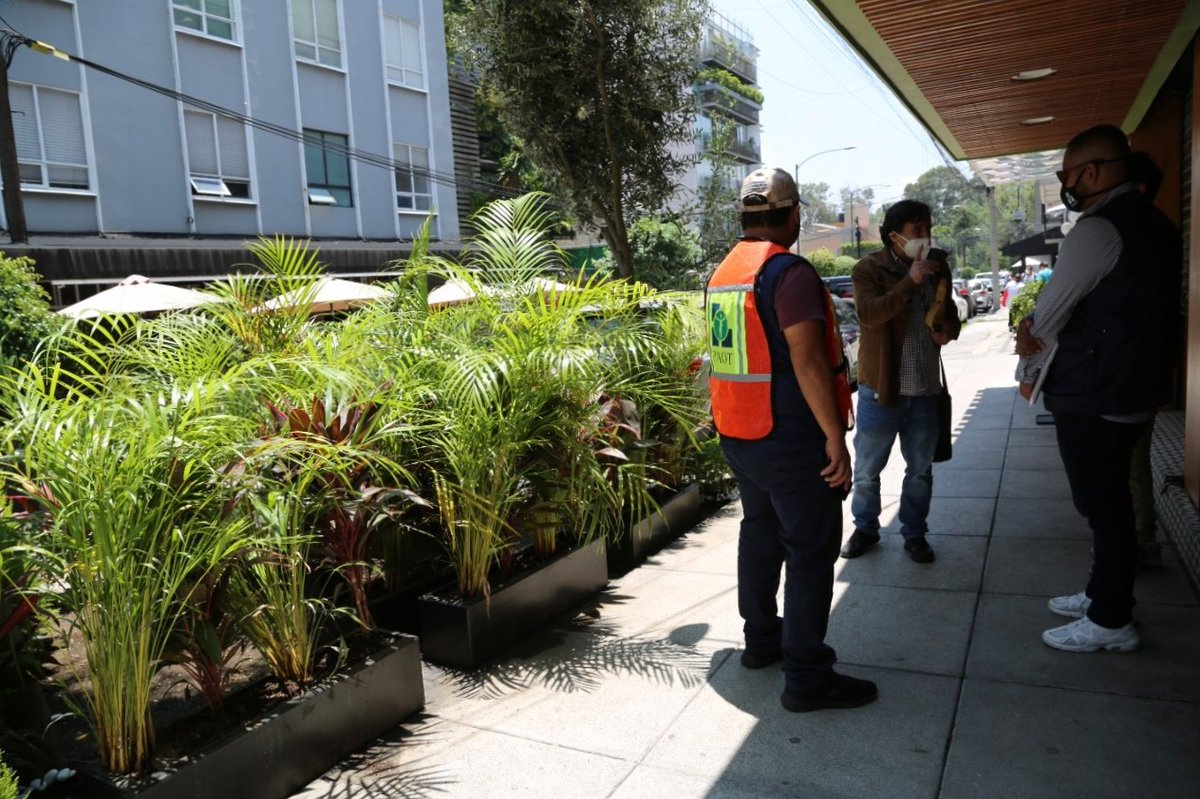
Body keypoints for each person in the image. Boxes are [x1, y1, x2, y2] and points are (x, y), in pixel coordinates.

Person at [706, 166, 875, 712]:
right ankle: (806, 677)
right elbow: (806, 362)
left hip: (740, 433)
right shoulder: (789, 273)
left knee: (759, 531)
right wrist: (835, 438)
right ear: (794, 213)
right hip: (789, 439)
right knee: (809, 551)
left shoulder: (724, 272)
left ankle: (761, 642)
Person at [1015, 125, 1181, 653]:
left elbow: (1050, 312)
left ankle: (1111, 619)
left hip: (1095, 389)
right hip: (1135, 385)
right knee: (1112, 503)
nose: (1066, 182)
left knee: (1103, 507)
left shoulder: (1097, 228)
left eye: (1067, 173)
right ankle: (1101, 592)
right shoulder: (1158, 223)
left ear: (1091, 171)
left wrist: (1027, 368)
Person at [840, 200, 961, 564]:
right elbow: (869, 314)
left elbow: (950, 314)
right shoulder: (869, 269)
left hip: (925, 389)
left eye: (927, 228)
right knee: (866, 470)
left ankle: (914, 533)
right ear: (894, 236)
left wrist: (948, 331)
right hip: (881, 390)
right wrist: (911, 282)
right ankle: (865, 527)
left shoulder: (939, 267)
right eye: (916, 230)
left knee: (920, 472)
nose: (924, 236)